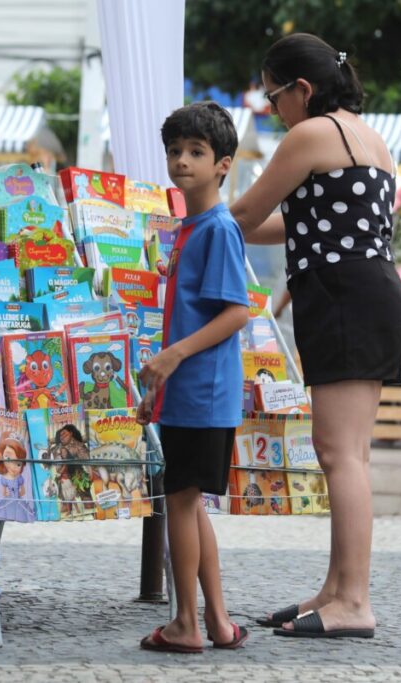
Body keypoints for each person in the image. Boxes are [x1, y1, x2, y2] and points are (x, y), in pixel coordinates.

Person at [229, 33, 401, 639]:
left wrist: (188, 220)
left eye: (274, 96)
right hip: (368, 292)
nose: (273, 110)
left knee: (339, 454)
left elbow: (245, 213)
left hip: (343, 297)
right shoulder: (367, 137)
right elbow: (293, 222)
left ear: (302, 89)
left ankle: (353, 601)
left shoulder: (310, 134)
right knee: (349, 452)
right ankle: (335, 590)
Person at [137, 102, 250, 653]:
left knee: (180, 501)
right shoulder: (192, 228)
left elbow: (237, 313)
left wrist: (171, 358)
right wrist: (160, 384)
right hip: (188, 392)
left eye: (196, 152)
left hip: (203, 391)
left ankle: (185, 624)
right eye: (175, 151)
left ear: (222, 164)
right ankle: (219, 622)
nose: (182, 160)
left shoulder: (218, 229)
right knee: (190, 500)